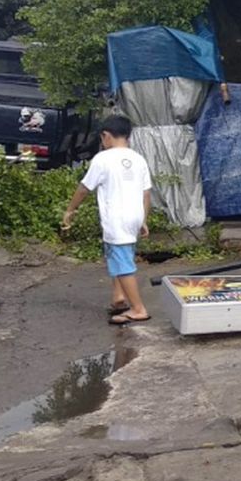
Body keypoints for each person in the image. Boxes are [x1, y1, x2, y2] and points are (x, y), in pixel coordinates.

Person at [62, 114, 153, 325]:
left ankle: (138, 309)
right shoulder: (138, 159)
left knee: (122, 263)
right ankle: (118, 298)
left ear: (106, 136)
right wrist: (143, 220)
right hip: (134, 216)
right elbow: (146, 193)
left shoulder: (102, 159)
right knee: (122, 256)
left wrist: (70, 210)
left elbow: (84, 188)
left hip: (116, 219)